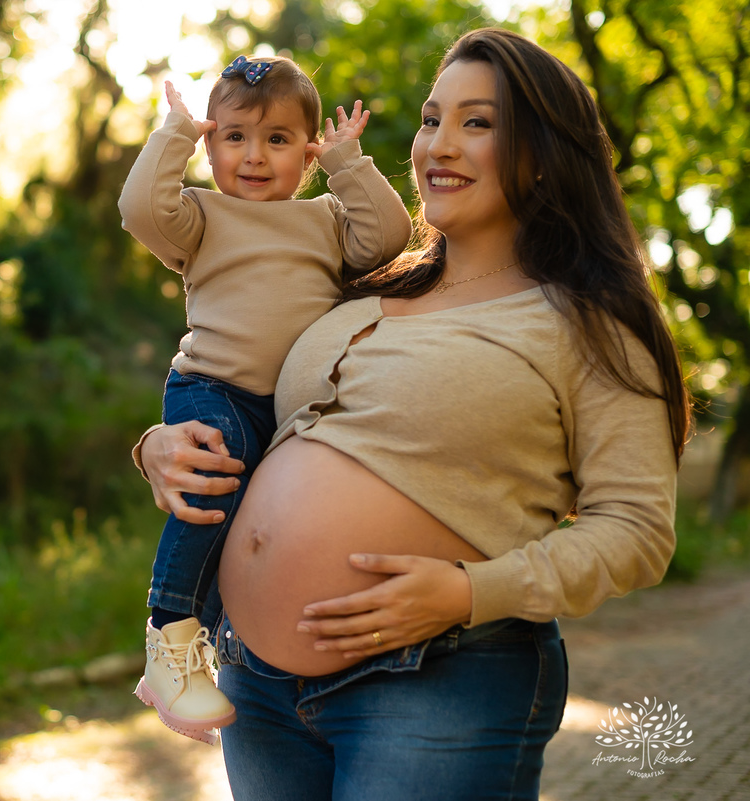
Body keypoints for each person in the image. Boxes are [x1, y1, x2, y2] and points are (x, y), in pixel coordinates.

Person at [135, 27, 691, 800]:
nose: (439, 144)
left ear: (544, 150)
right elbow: (241, 388)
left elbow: (636, 531)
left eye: (478, 122)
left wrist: (470, 593)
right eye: (432, 120)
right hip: (256, 686)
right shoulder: (361, 284)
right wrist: (159, 446)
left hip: (438, 677)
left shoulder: (589, 321)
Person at [117, 54, 412, 744]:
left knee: (245, 517)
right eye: (235, 137)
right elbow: (138, 210)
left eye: (278, 139)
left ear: (306, 152)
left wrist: (349, 164)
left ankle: (211, 641)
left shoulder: (325, 218)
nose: (254, 156)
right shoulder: (198, 215)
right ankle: (167, 634)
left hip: (283, 411)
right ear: (212, 144)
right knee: (214, 476)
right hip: (211, 388)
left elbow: (388, 237)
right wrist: (174, 134)